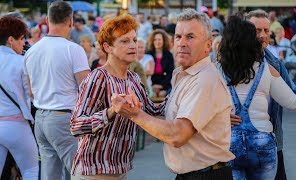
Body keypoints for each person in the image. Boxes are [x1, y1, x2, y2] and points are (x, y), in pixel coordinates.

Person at [112, 9, 234, 180]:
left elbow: (178, 135)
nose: (182, 43)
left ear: (208, 45)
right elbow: (170, 116)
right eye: (178, 37)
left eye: (190, 37)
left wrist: (134, 114)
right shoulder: (184, 74)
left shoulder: (204, 79)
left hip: (206, 175)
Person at [218, 15, 296, 180]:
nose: (262, 36)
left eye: (266, 30)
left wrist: (217, 116)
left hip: (230, 143)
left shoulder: (216, 70)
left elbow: (201, 103)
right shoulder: (267, 69)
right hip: (262, 141)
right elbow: (294, 102)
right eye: (256, 32)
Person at [69, 13, 165, 180]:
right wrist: (111, 111)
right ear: (107, 47)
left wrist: (183, 91)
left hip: (120, 171)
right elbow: (76, 126)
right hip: (93, 173)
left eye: (134, 40)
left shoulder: (133, 78)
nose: (133, 45)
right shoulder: (98, 78)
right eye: (124, 41)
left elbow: (152, 111)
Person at [24, 1, 90, 180]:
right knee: (80, 172)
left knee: (50, 174)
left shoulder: (32, 51)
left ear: (47, 20)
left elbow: (30, 90)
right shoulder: (73, 49)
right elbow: (87, 89)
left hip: (41, 117)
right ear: (70, 20)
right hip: (63, 117)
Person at [0, 16, 39, 180]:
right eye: (21, 39)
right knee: (30, 170)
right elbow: (31, 93)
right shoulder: (21, 62)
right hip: (16, 125)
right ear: (10, 40)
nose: (23, 43)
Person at [146, 29, 174, 98]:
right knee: (153, 95)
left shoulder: (169, 55)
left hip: (165, 85)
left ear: (163, 41)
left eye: (159, 39)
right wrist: (152, 86)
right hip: (151, 84)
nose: (157, 42)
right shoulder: (148, 54)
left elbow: (170, 73)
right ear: (152, 41)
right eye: (155, 39)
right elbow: (145, 73)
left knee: (162, 94)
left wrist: (162, 86)